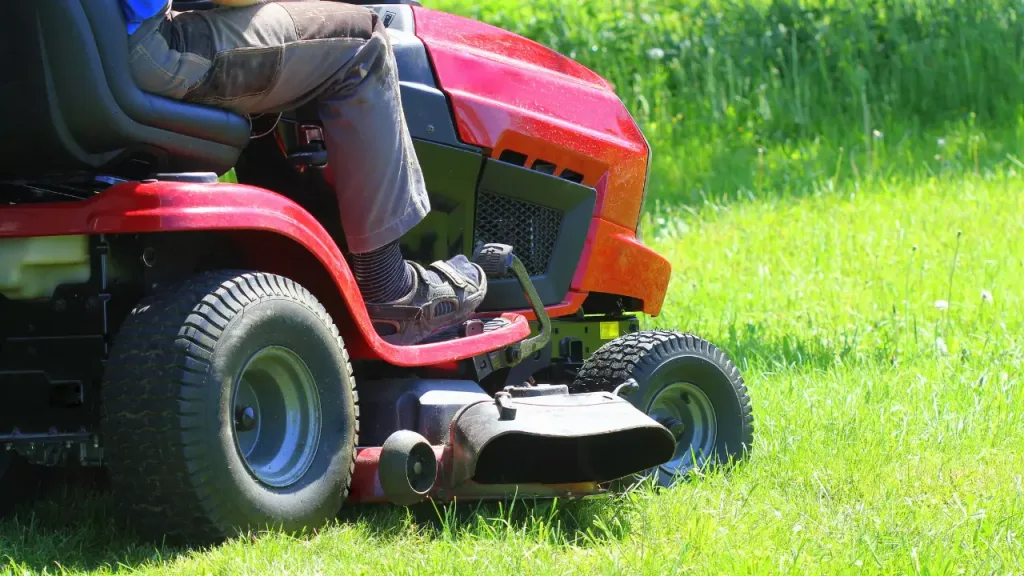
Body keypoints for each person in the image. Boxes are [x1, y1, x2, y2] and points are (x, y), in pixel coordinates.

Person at [120, 0, 487, 345]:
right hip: (153, 52)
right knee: (363, 41)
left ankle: (288, 262)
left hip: (94, 49)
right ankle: (390, 289)